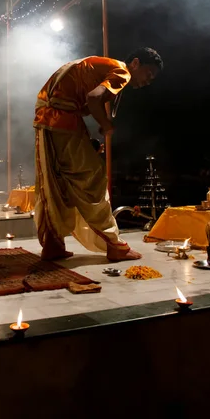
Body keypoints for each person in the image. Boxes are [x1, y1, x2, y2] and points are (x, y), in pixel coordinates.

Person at [34, 48, 163, 261]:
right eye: (148, 74)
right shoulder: (122, 71)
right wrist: (106, 125)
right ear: (136, 63)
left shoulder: (104, 65)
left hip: (46, 119)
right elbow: (94, 98)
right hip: (63, 119)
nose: (148, 81)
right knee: (93, 178)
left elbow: (82, 101)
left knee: (56, 182)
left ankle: (53, 244)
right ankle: (114, 245)